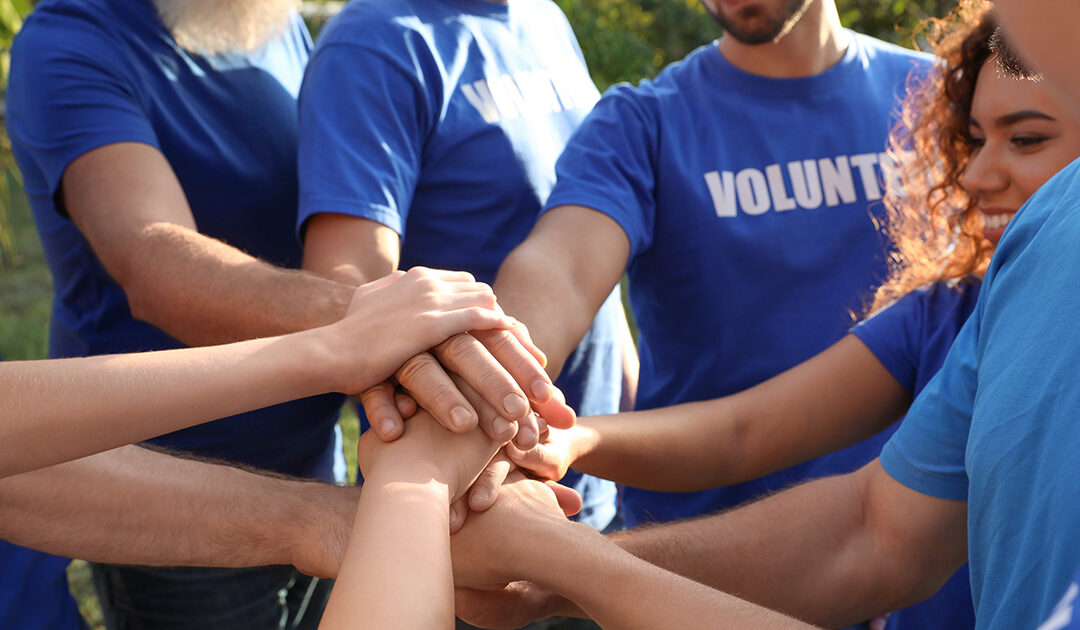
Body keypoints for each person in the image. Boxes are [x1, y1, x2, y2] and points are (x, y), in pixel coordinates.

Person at [453, 9, 1080, 629]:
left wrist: (563, 560)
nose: (974, 174)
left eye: (1024, 139)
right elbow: (795, 473)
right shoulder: (962, 309)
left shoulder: (926, 91)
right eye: (971, 140)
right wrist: (516, 402)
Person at [4, 0, 565, 625]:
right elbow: (153, 260)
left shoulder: (266, 21)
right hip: (162, 487)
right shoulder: (70, 41)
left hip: (311, 459)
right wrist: (379, 326)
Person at [295, 0, 633, 532]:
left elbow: (585, 246)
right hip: (472, 511)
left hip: (590, 484)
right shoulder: (373, 43)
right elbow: (350, 288)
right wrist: (480, 431)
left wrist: (629, 400)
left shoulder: (543, 17)